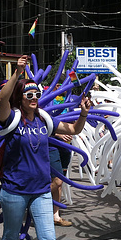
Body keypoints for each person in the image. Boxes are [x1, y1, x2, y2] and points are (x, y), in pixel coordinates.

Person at [0, 55, 89, 240]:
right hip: (14, 191)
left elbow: (73, 130)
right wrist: (17, 72)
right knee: (11, 237)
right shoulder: (11, 118)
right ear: (20, 98)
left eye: (36, 93)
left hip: (40, 191)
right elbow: (2, 99)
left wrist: (83, 115)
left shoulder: (44, 120)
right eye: (29, 94)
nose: (34, 97)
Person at [49, 86, 73, 227]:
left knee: (61, 181)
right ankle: (46, 211)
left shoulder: (69, 100)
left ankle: (55, 214)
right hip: (51, 145)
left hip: (66, 146)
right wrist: (57, 134)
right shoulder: (49, 101)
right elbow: (43, 122)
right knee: (56, 181)